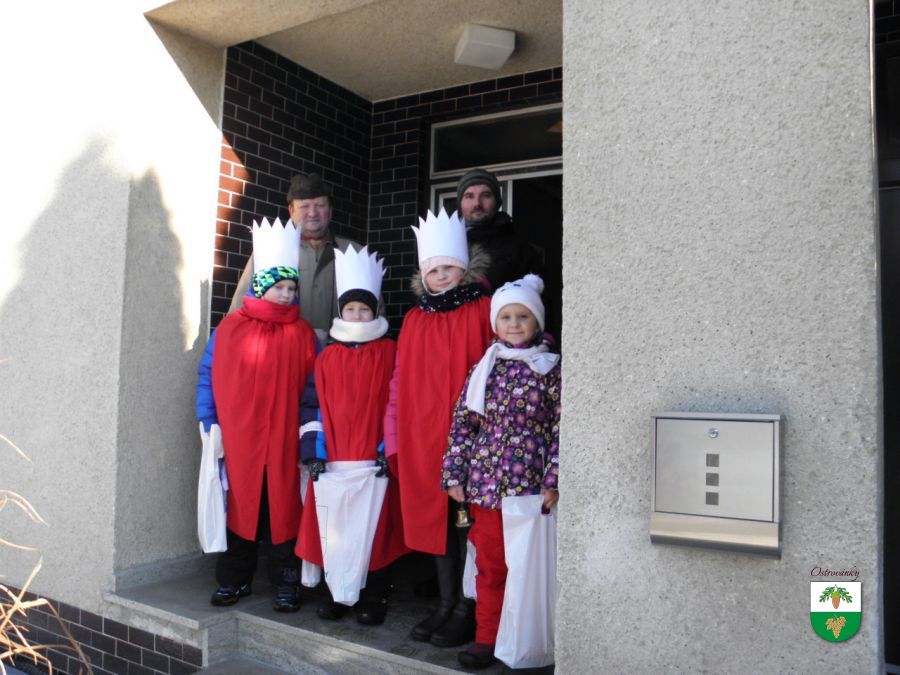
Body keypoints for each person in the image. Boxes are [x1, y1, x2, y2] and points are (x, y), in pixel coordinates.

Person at [384, 208, 494, 647]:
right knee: (437, 523)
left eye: (449, 267)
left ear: (464, 267)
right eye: (434, 270)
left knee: (469, 524)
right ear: (423, 276)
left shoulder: (484, 309)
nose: (442, 276)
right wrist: (394, 436)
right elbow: (399, 380)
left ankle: (470, 607)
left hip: (471, 437)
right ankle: (446, 604)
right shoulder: (415, 319)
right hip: (424, 437)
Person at [196, 217, 317, 613]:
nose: (286, 294)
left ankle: (287, 581)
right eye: (279, 287)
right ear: (262, 286)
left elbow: (315, 384)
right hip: (240, 436)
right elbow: (209, 374)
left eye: (291, 288)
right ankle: (234, 579)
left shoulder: (303, 333)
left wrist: (311, 430)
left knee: (285, 509)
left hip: (285, 436)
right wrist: (208, 419)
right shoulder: (231, 328)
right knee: (241, 507)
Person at [442, 274, 561, 669]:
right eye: (506, 317)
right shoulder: (484, 368)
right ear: (495, 323)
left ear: (537, 322)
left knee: (527, 570)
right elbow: (464, 424)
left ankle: (526, 642)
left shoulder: (550, 369)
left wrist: (553, 479)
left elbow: (562, 427)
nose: (514, 324)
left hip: (530, 488)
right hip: (488, 487)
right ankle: (487, 638)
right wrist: (454, 472)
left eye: (522, 316)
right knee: (491, 567)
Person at [295, 246, 409, 626]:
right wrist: (314, 453)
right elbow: (312, 406)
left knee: (374, 532)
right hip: (334, 459)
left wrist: (388, 449)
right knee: (336, 530)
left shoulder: (390, 351)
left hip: (373, 459)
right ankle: (339, 594)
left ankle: (374, 596)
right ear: (340, 312)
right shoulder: (326, 357)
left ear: (374, 312)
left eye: (363, 309)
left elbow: (398, 402)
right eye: (350, 309)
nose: (357, 315)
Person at [228, 172, 364, 342]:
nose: (312, 213)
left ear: (330, 210)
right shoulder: (270, 249)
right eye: (304, 206)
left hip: (339, 356)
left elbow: (373, 315)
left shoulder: (354, 253)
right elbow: (240, 310)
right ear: (291, 211)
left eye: (320, 205)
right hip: (283, 351)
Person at [456, 168, 543, 292]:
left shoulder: (518, 249)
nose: (477, 204)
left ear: (497, 202)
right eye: (469, 196)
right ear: (460, 204)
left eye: (486, 195)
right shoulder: (445, 244)